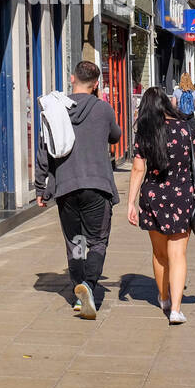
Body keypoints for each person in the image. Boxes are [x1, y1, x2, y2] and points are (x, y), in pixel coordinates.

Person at [33, 60, 122, 320]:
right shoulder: (103, 109)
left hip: (67, 185)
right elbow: (115, 136)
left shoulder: (55, 109)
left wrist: (41, 187)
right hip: (97, 185)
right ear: (96, 85)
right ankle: (90, 287)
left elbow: (44, 150)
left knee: (76, 241)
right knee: (97, 240)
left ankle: (77, 291)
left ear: (72, 79)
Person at [127, 88, 195, 325]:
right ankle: (175, 309)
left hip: (153, 197)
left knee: (160, 253)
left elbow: (137, 169)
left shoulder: (145, 133)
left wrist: (131, 203)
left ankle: (163, 297)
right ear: (167, 104)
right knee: (178, 254)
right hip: (182, 196)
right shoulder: (185, 128)